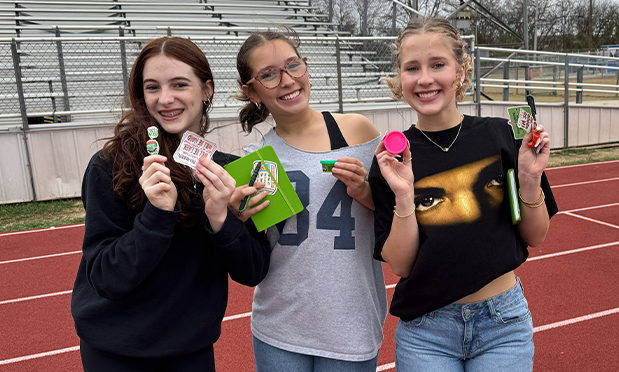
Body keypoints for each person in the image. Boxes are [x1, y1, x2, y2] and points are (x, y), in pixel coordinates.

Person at [368, 17, 558, 371]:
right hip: (426, 333)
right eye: (412, 68)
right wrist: (406, 196)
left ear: (461, 70)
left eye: (437, 64)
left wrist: (530, 178)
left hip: (503, 323)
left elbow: (536, 235)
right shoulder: (391, 160)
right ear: (400, 79)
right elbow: (401, 264)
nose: (425, 78)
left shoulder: (502, 137)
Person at [71, 36, 270, 372]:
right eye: (152, 87)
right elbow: (106, 277)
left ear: (206, 89)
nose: (165, 99)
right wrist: (158, 214)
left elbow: (253, 271)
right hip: (115, 351)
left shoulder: (231, 172)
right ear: (141, 95)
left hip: (191, 349)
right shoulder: (110, 166)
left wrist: (220, 219)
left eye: (179, 84)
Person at [232, 30, 388, 371]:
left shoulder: (357, 131)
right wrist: (237, 219)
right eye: (269, 74)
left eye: (293, 66)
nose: (287, 81)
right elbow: (256, 251)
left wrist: (366, 191)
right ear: (252, 91)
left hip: (351, 324)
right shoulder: (256, 158)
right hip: (279, 327)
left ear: (306, 70)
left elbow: (395, 213)